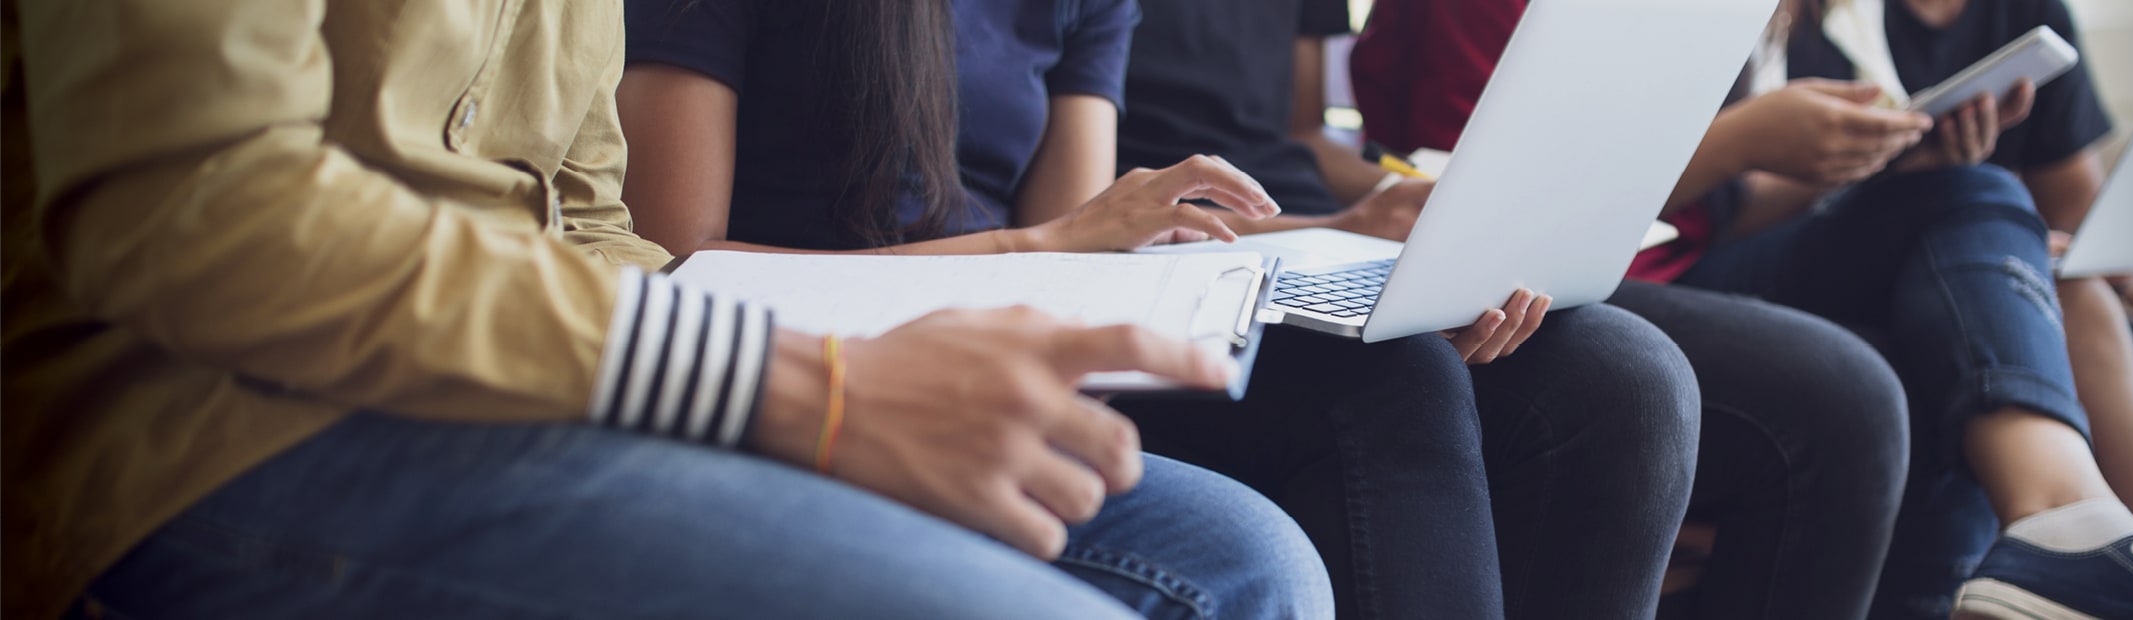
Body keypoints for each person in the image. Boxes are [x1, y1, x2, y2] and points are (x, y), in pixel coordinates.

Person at [0, 0, 1334, 618]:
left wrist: (846, 343)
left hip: (533, 384)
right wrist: (804, 388)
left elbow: (599, 240)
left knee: (1244, 558)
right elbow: (194, 205)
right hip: (221, 425)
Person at [614, 0, 1704, 618]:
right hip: (824, 336)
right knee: (1386, 383)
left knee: (1599, 372)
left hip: (1028, 305)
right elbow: (671, 255)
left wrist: (1359, 225)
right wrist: (1034, 246)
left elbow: (1098, 227)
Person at [1352, 0, 2133, 617]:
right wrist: (1747, 138)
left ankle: (2083, 539)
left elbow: (1725, 210)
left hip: (1705, 254)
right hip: (1584, 278)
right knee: (1918, 320)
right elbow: (1478, 200)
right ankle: (2106, 549)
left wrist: (1868, 160)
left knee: (1971, 204)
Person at [1115, 0, 1912, 618]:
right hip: (1206, 260)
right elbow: (1080, 218)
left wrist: (1392, 210)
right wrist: (1340, 223)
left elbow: (1305, 139)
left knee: (1850, 394)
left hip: (1318, 239)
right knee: (1625, 378)